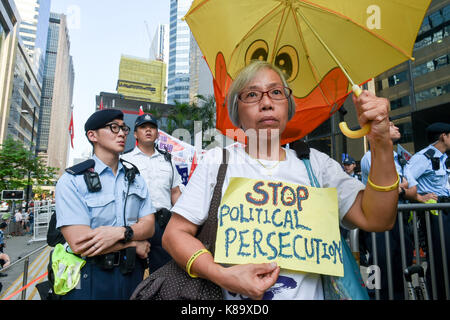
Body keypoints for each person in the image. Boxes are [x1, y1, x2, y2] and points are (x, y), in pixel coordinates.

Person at [162, 60, 399, 300]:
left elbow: (378, 218)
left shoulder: (317, 165)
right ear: (237, 112)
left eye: (276, 92)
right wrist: (221, 275)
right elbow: (174, 235)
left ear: (288, 106)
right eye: (252, 95)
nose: (266, 103)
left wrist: (381, 143)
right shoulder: (217, 162)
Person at [55, 108, 155, 300]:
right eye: (113, 127)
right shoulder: (72, 181)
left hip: (132, 274)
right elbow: (80, 243)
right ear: (92, 135)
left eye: (124, 128)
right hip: (91, 274)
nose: (121, 133)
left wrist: (119, 233)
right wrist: (132, 243)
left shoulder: (135, 178)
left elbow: (149, 226)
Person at [359, 121, 415, 299]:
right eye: (391, 125)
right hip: (379, 219)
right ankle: (373, 294)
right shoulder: (371, 156)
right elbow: (389, 186)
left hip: (400, 218)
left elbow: (412, 188)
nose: (397, 127)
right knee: (379, 260)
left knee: (401, 258)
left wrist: (400, 189)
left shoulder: (400, 157)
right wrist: (399, 187)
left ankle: (398, 295)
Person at [121, 114, 183, 272]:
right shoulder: (124, 160)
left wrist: (184, 220)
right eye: (143, 127)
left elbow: (175, 192)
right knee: (132, 271)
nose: (148, 130)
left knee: (164, 271)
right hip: (135, 224)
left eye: (152, 127)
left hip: (163, 224)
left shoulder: (168, 160)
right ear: (135, 134)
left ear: (157, 133)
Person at [405, 122, 450, 300]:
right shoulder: (424, 157)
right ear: (443, 136)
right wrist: (418, 197)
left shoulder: (442, 157)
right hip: (434, 215)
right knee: (441, 260)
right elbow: (405, 179)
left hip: (444, 211)